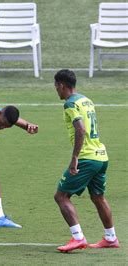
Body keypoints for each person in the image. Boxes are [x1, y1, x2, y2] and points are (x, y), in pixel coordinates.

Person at [53, 69, 119, 252]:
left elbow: (80, 129)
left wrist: (74, 158)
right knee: (98, 197)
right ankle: (111, 237)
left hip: (87, 158)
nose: (55, 90)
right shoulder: (86, 100)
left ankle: (78, 238)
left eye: (56, 86)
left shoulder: (70, 104)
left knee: (61, 196)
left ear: (62, 85)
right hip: (101, 156)